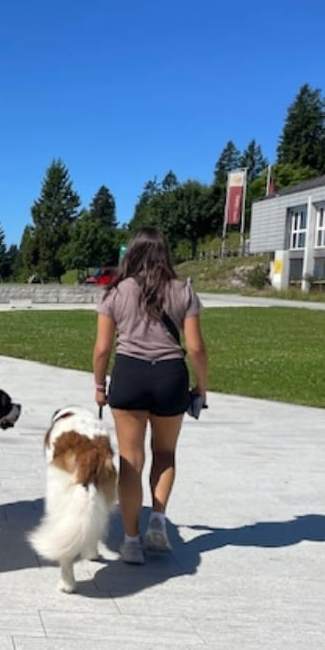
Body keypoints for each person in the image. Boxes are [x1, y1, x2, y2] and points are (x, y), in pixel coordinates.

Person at [92, 227, 208, 565]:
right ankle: (157, 520)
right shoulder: (184, 292)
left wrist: (100, 387)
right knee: (165, 453)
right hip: (171, 375)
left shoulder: (116, 292)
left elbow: (102, 349)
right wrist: (201, 385)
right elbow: (196, 347)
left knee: (131, 460)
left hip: (129, 374)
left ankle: (130, 540)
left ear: (133, 254)